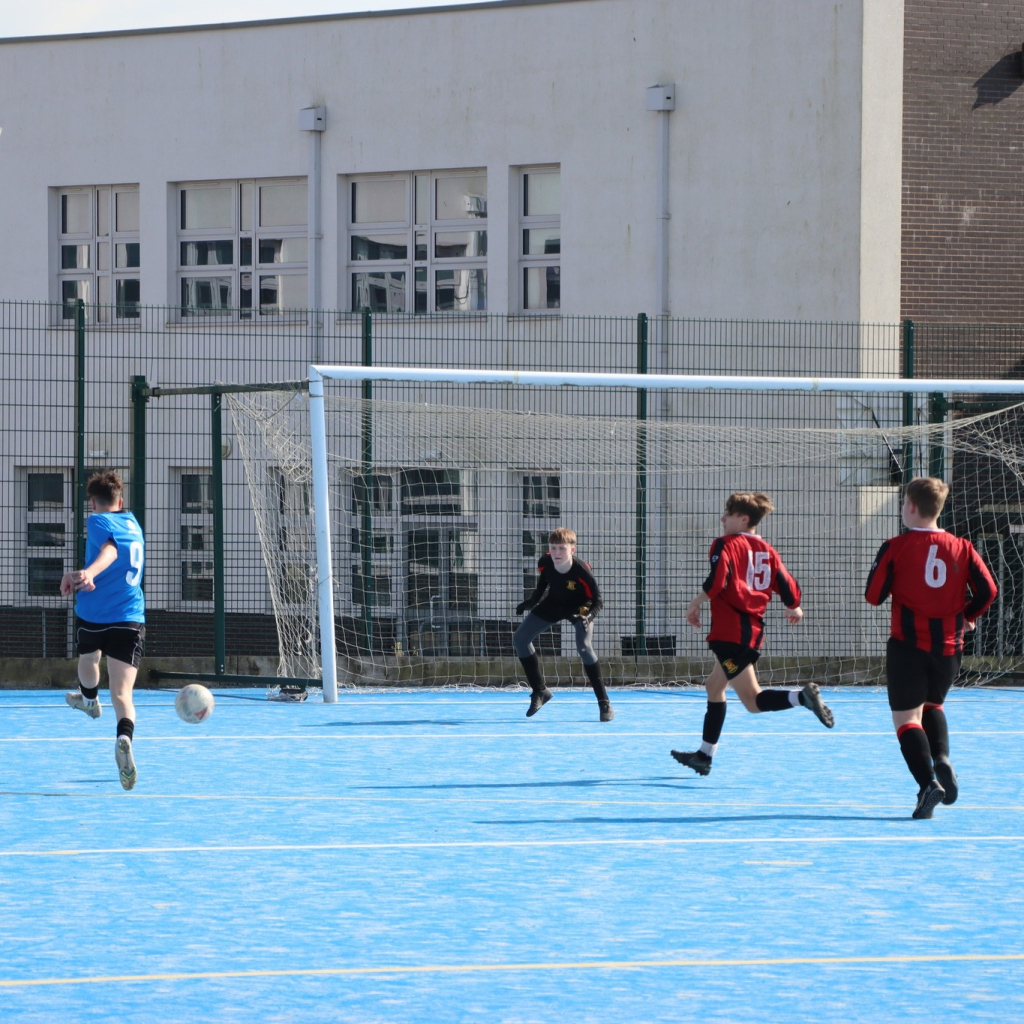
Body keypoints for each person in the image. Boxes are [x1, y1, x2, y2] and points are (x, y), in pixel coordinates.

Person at [671, 491, 834, 776]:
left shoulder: (725, 544)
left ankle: (801, 697)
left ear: (743, 519)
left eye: (728, 514)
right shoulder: (768, 551)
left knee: (752, 701)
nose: (723, 518)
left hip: (730, 633)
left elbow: (717, 580)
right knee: (714, 687)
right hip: (751, 632)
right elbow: (788, 584)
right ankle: (704, 755)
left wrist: (695, 603)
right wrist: (793, 606)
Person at [865, 476, 997, 820]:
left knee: (906, 719)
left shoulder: (895, 546)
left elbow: (873, 596)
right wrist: (967, 615)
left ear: (911, 507)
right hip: (949, 646)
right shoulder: (964, 547)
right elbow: (989, 591)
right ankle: (942, 759)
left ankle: (927, 785)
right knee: (933, 704)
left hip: (908, 646)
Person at [60, 470, 146, 791]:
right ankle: (124, 736)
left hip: (94, 614)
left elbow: (109, 550)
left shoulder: (97, 521)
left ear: (93, 502)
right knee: (123, 694)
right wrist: (80, 572)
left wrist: (86, 573)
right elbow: (118, 550)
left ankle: (89, 700)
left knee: (88, 659)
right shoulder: (134, 524)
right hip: (130, 617)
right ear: (120, 501)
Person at [514, 527, 612, 721]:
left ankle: (604, 702)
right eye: (553, 548)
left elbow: (597, 600)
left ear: (572, 550)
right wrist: (531, 602)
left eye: (562, 548)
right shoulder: (545, 562)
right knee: (520, 638)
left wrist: (588, 617)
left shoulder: (582, 571)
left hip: (581, 607)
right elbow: (543, 583)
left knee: (584, 647)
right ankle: (540, 691)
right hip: (555, 603)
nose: (557, 553)